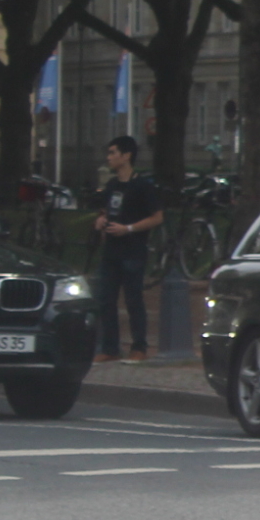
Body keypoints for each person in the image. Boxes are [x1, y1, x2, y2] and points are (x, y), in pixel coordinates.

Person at [89, 135, 163, 363]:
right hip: (111, 251)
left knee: (133, 300)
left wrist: (129, 228)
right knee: (106, 300)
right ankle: (110, 347)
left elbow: (157, 217)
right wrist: (100, 222)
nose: (109, 157)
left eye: (113, 153)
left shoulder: (142, 186)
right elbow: (105, 212)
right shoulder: (111, 186)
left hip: (132, 250)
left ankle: (139, 347)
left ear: (126, 155)